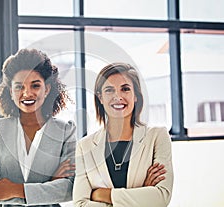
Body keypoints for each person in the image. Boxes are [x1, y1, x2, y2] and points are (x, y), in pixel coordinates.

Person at [0, 48, 76, 206]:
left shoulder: (65, 131)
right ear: (10, 91)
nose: (27, 93)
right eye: (19, 87)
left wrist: (14, 190)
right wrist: (49, 184)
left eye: (35, 86)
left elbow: (70, 189)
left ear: (47, 89)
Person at [73, 63, 173, 207]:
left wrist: (102, 194)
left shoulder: (157, 137)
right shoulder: (85, 146)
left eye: (125, 89)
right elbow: (80, 204)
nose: (118, 96)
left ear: (136, 96)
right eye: (109, 90)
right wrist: (141, 195)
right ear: (100, 98)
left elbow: (161, 197)